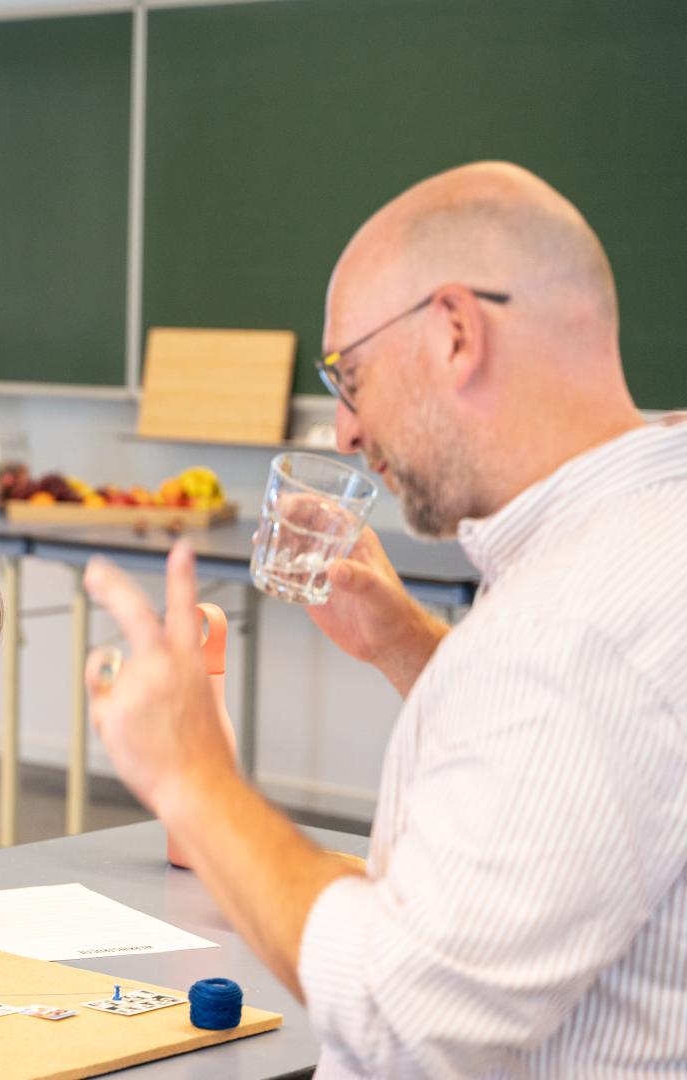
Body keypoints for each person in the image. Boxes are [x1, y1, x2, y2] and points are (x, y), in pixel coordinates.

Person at [81, 161, 687, 1076]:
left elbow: (401, 1009)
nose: (347, 432)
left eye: (351, 376)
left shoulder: (570, 629)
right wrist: (409, 646)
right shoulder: (645, 533)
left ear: (453, 332)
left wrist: (194, 781)